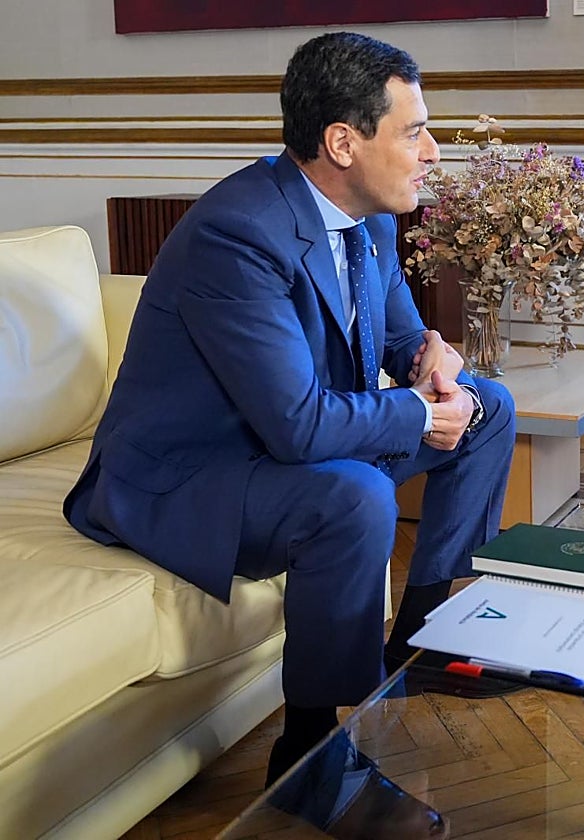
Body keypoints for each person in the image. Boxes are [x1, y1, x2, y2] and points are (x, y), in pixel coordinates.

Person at [63, 32, 517, 784]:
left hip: (273, 447)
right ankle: (307, 753)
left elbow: (403, 336)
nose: (433, 150)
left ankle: (425, 641)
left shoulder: (369, 218)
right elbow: (300, 425)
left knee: (488, 406)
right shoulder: (236, 234)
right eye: (415, 131)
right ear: (344, 142)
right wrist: (415, 411)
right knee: (354, 493)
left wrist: (431, 359)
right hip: (185, 477)